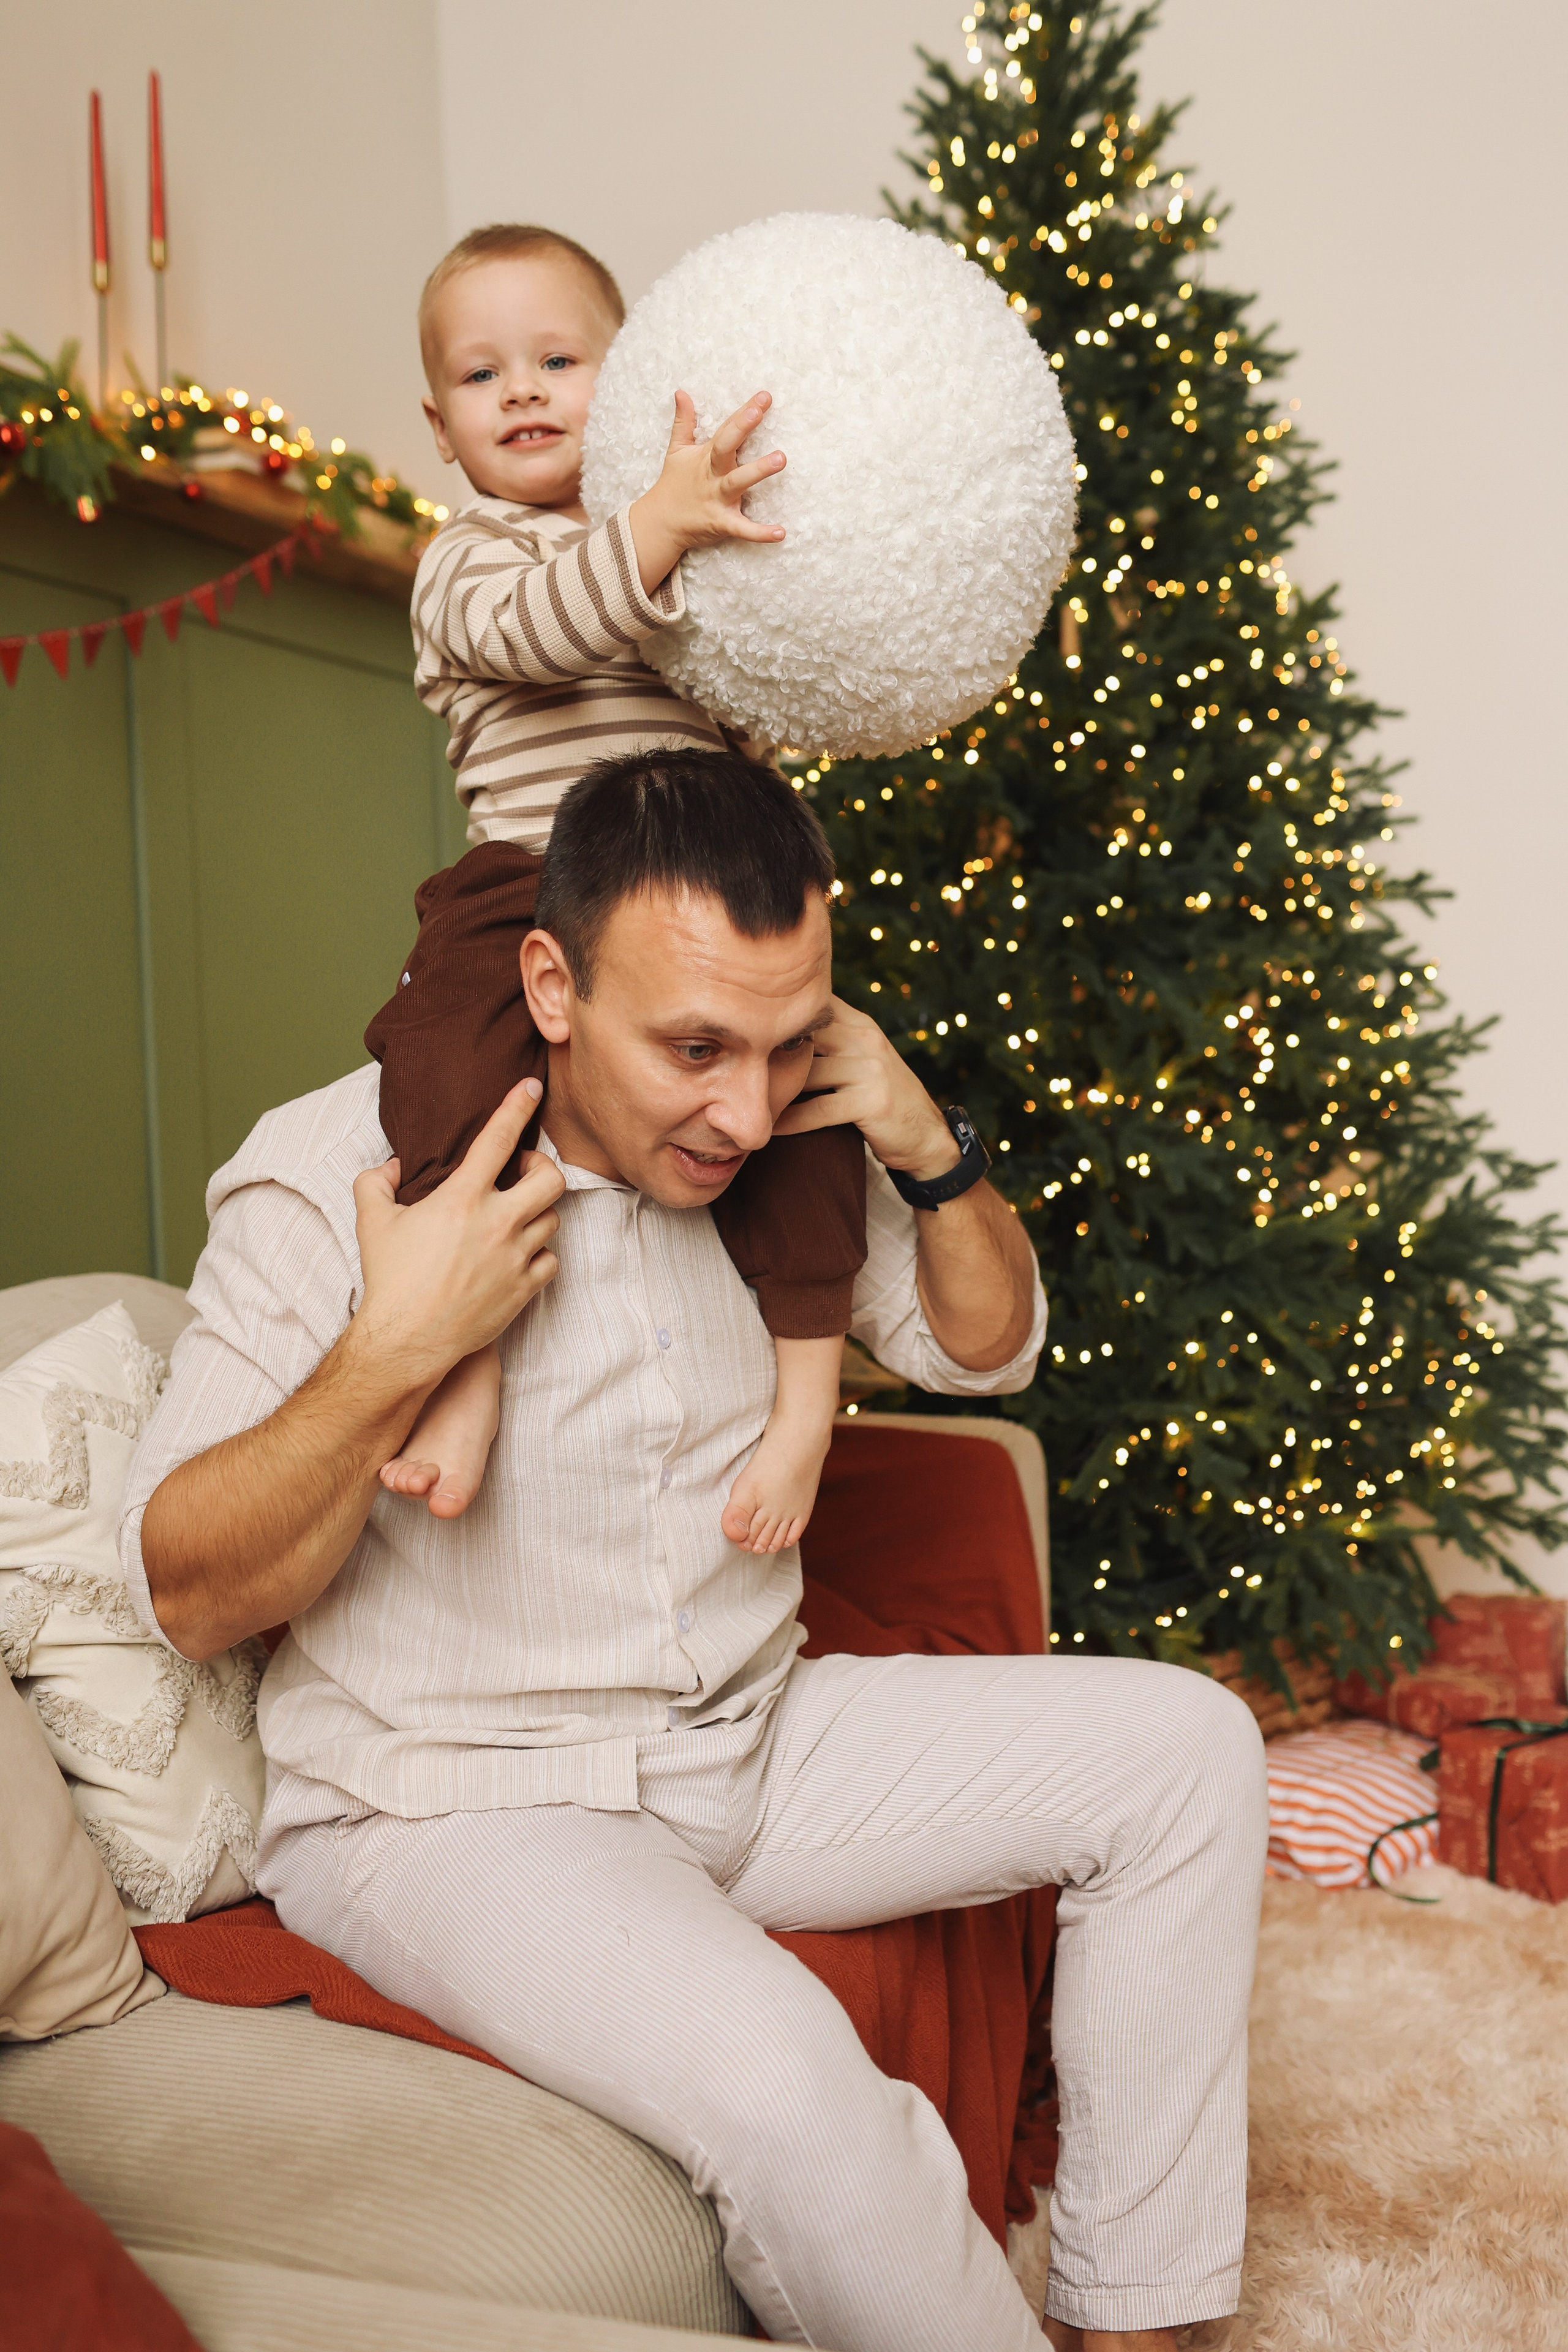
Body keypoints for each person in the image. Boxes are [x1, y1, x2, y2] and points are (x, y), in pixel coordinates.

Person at [123, 750, 1268, 2352]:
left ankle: (1140, 2327)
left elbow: (991, 1344)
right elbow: (186, 1587)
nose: (743, 1105)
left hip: (753, 1737)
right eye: (694, 1049)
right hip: (459, 1805)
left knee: (1188, 1751)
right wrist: (399, 1345)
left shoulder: (770, 1140)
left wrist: (926, 1147)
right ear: (551, 982)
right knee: (806, 2099)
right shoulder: (339, 1177)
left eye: (788, 1043)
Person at [368, 219, 863, 1556]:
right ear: (440, 424)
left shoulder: (673, 558)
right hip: (523, 884)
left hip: (691, 903)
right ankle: (464, 1362)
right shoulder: (468, 561)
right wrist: (649, 528)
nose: (520, 391)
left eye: (556, 359)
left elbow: (740, 718)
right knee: (434, 1067)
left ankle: (809, 1394)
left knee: (803, 1107)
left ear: (629, 373)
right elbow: (541, 632)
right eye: (482, 377)